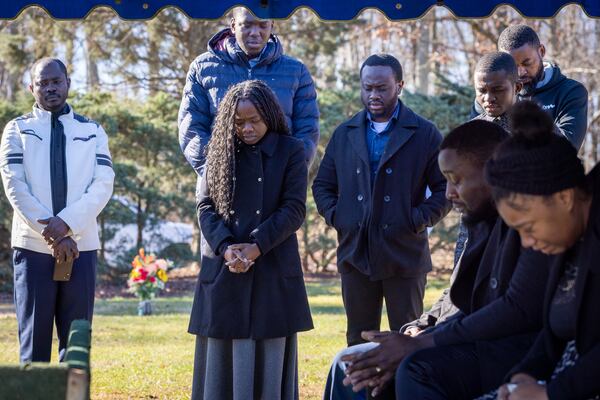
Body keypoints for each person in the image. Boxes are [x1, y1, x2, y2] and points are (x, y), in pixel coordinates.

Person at [332, 120, 553, 399]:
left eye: (456, 180)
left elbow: (514, 309)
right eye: (446, 181)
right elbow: (459, 295)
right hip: (465, 342)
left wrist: (424, 343)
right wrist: (418, 330)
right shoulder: (481, 220)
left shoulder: (535, 221)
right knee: (350, 364)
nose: (448, 194)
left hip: (508, 354)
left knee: (414, 368)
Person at [312, 53, 450, 348]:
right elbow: (323, 185)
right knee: (359, 341)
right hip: (355, 254)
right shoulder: (345, 133)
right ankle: (361, 395)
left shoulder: (424, 133)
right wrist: (340, 217)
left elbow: (445, 189)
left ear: (399, 85)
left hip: (405, 254)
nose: (373, 95)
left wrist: (415, 219)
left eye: (382, 88)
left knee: (408, 339)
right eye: (367, 88)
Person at [189, 80, 313, 400]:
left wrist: (257, 247)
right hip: (224, 267)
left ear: (269, 115)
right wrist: (227, 247)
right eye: (239, 122)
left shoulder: (292, 151)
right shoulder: (216, 151)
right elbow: (205, 207)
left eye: (254, 120)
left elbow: (294, 208)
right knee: (223, 357)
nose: (247, 128)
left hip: (273, 266)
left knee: (269, 359)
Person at [482, 101, 600, 400]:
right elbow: (554, 334)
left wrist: (549, 394)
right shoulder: (568, 237)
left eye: (528, 227)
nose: (527, 243)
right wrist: (524, 375)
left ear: (564, 199)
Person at [0, 57, 114, 362]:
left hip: (82, 247)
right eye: (42, 83)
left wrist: (66, 224)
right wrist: (52, 232)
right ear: (31, 88)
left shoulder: (93, 130)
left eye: (56, 81)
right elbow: (15, 186)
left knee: (77, 344)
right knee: (34, 344)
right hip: (33, 248)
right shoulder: (17, 130)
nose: (50, 88)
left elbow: (103, 184)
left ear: (68, 83)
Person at [178, 7, 319, 175]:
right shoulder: (202, 67)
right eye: (247, 25)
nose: (255, 32)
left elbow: (307, 130)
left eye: (262, 25)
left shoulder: (296, 71)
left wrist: (289, 175)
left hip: (277, 185)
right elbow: (191, 128)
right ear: (233, 25)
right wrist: (217, 173)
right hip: (220, 183)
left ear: (272, 25)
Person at [472, 24, 588, 149]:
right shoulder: (488, 98)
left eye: (527, 63)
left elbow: (567, 149)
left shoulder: (570, 91)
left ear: (541, 51)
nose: (521, 72)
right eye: (513, 66)